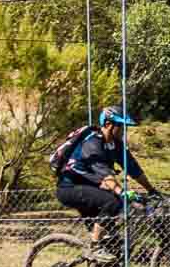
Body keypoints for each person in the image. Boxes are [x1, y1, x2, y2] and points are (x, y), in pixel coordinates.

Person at [55, 107, 160, 252]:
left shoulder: (116, 145)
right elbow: (104, 174)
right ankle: (95, 247)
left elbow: (133, 168)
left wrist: (151, 190)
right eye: (121, 126)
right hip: (69, 187)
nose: (123, 131)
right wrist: (121, 192)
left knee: (113, 239)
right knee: (112, 201)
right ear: (108, 124)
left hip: (90, 188)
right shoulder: (92, 142)